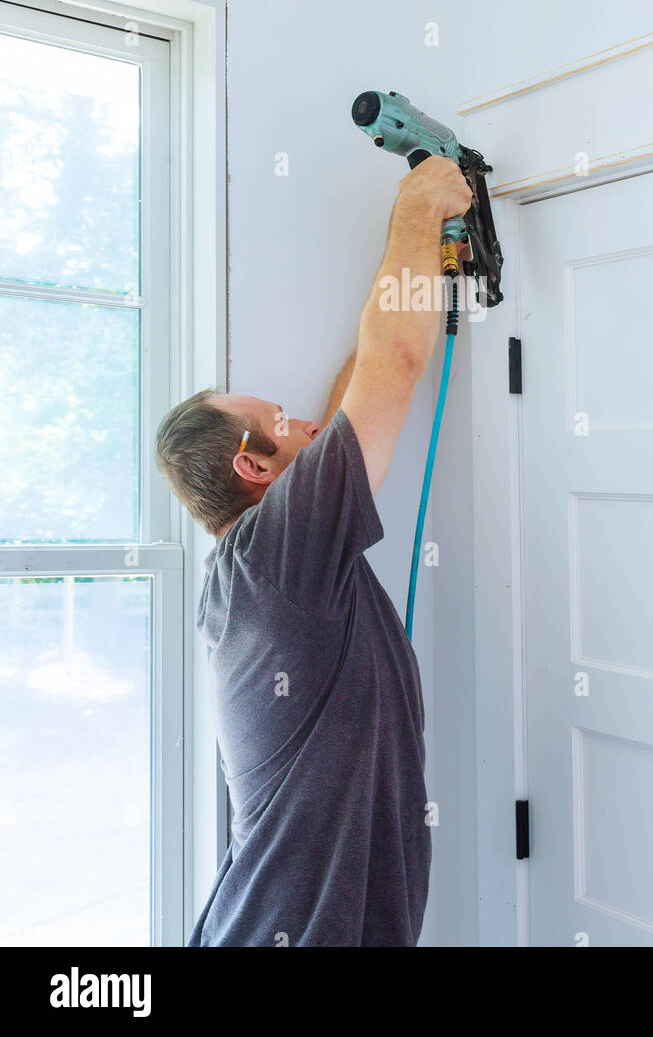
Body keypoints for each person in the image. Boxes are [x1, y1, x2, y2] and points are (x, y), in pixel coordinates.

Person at [154, 155, 472, 947]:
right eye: (279, 417)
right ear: (253, 468)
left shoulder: (265, 562)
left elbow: (361, 384)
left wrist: (411, 260)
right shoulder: (273, 559)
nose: (304, 423)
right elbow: (392, 365)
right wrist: (417, 204)